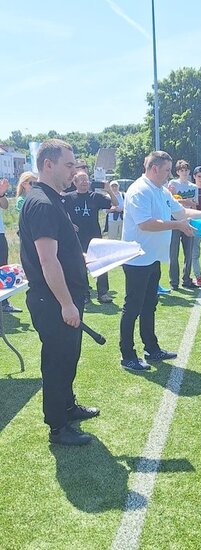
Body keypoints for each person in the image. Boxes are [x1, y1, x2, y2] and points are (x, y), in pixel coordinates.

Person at [18, 139, 99, 446]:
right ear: (48, 165)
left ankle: (67, 407)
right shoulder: (42, 203)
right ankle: (58, 427)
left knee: (68, 357)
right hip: (52, 301)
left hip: (62, 297)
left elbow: (59, 251)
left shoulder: (52, 199)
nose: (73, 171)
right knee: (57, 362)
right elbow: (47, 260)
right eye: (68, 165)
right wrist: (66, 303)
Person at [120, 151, 201, 373]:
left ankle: (151, 348)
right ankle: (127, 355)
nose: (169, 175)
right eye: (167, 170)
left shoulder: (161, 190)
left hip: (152, 258)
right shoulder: (139, 190)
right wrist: (177, 225)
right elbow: (145, 224)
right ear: (154, 168)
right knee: (133, 307)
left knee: (149, 305)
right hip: (136, 259)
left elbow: (181, 212)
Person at [64, 171, 118, 304]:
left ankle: (103, 293)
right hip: (77, 238)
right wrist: (69, 224)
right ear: (75, 182)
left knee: (101, 264)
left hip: (95, 237)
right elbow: (58, 211)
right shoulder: (69, 198)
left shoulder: (95, 197)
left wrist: (109, 190)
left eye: (86, 179)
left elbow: (115, 203)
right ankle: (84, 294)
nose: (84, 182)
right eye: (81, 180)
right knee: (80, 267)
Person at [167, 159, 198, 290]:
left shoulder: (193, 187)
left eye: (186, 170)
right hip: (174, 221)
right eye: (181, 170)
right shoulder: (173, 183)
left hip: (188, 221)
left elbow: (195, 204)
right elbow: (170, 201)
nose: (184, 172)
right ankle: (174, 282)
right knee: (173, 253)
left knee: (188, 253)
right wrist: (186, 201)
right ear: (178, 172)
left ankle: (187, 279)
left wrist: (182, 200)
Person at [0, 178, 22, 314]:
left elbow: (5, 205)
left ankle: (4, 303)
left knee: (2, 267)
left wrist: (1, 193)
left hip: (0, 234)